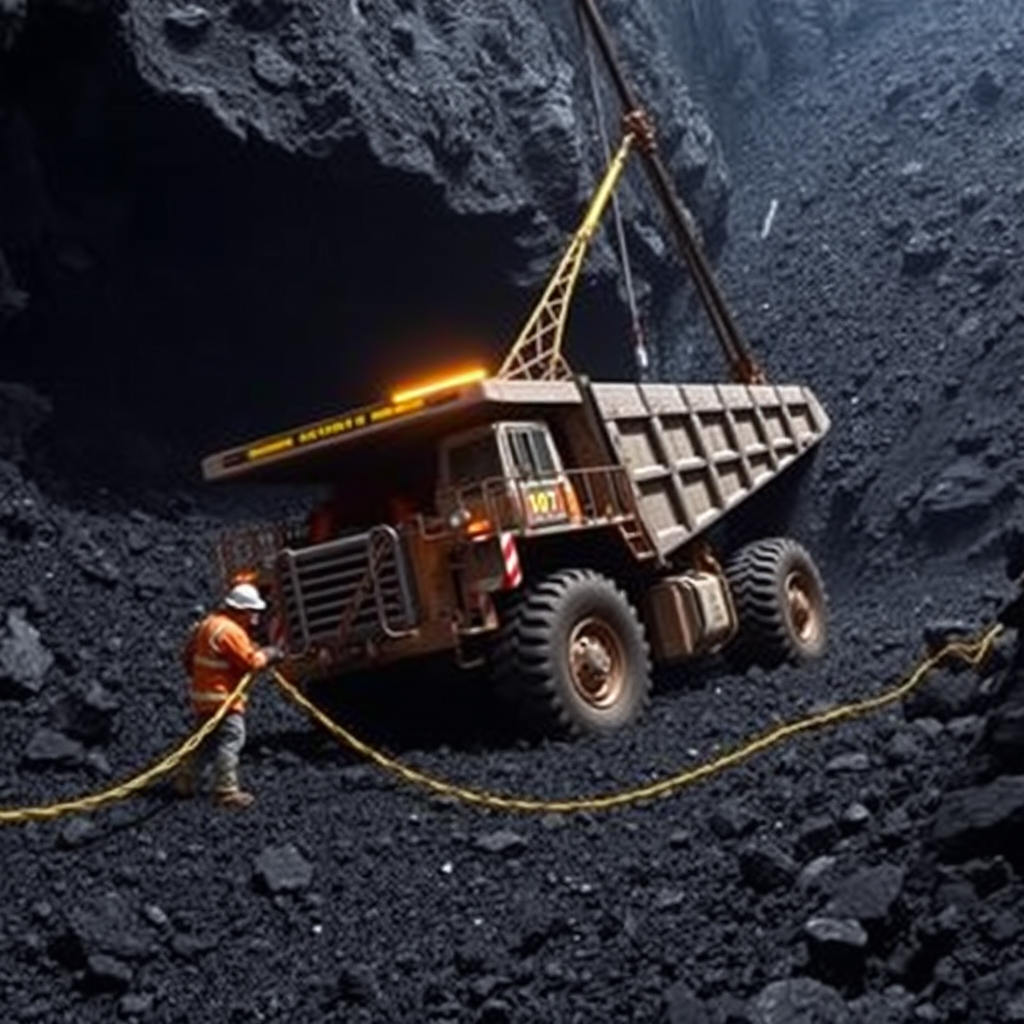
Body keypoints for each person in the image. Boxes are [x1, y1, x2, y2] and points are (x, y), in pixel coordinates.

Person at [172, 582, 283, 808]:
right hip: (222, 700)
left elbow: (187, 658)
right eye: (253, 612)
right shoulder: (231, 631)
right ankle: (227, 790)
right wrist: (270, 654)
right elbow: (250, 662)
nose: (255, 618)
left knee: (203, 742)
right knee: (232, 738)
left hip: (203, 697)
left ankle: (185, 781)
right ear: (241, 611)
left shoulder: (207, 625)